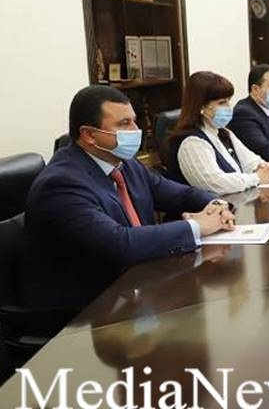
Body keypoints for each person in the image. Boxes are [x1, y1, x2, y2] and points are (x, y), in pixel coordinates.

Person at [23, 85, 235, 311]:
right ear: (89, 135)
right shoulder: (61, 184)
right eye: (124, 124)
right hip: (84, 308)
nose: (136, 130)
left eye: (134, 121)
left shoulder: (126, 164)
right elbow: (119, 244)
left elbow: (180, 194)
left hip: (134, 286)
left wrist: (216, 204)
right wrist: (197, 226)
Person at [169, 71, 269, 195]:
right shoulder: (192, 143)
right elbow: (215, 183)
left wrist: (265, 168)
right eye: (222, 103)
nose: (228, 107)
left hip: (237, 201)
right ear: (201, 107)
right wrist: (257, 178)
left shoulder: (223, 133)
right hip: (211, 206)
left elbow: (250, 161)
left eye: (228, 101)